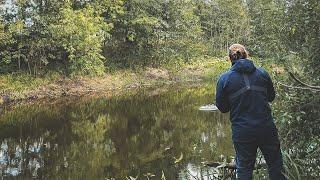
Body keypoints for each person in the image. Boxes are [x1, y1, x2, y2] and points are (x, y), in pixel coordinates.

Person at [215, 44, 285, 180]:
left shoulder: (224, 79)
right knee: (275, 164)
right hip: (266, 127)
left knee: (244, 168)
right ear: (246, 55)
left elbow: (223, 108)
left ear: (230, 58)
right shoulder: (262, 73)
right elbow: (271, 97)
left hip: (242, 131)